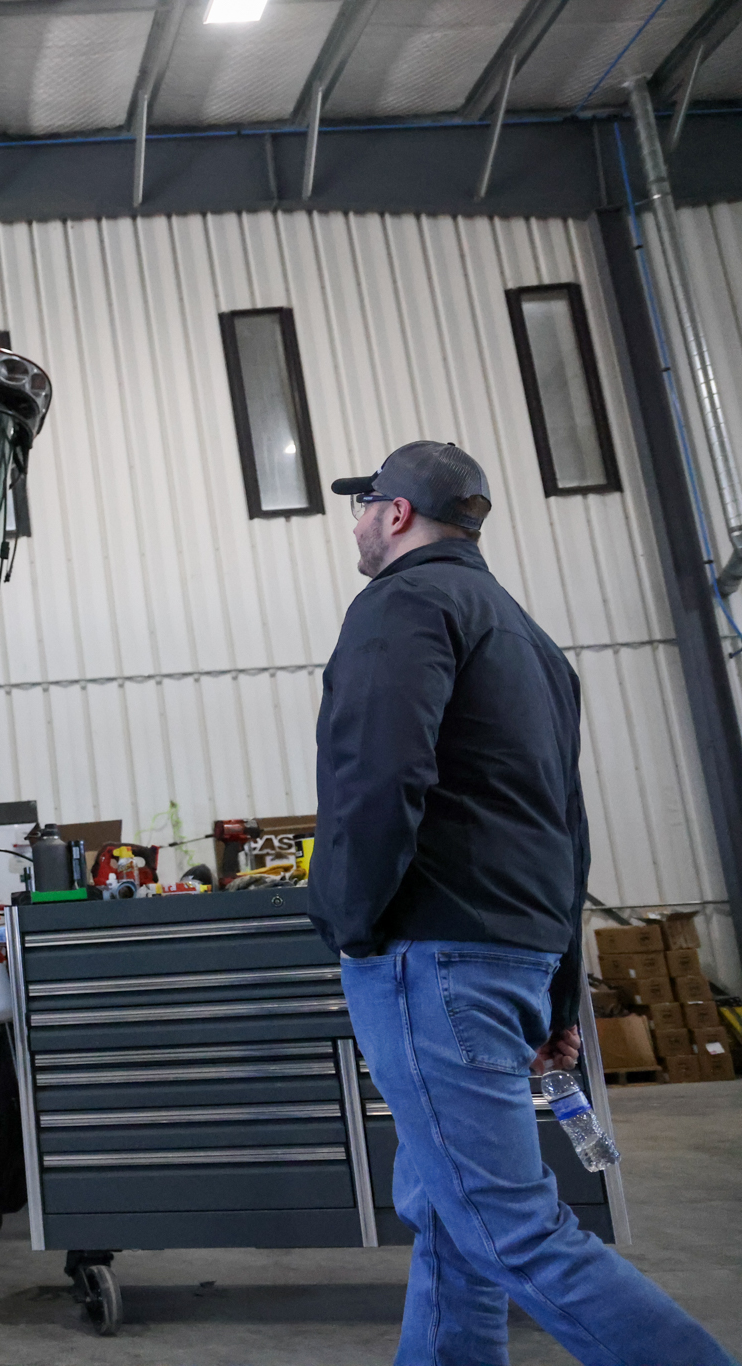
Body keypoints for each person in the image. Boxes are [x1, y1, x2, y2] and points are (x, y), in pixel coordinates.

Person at [310, 439, 734, 1366]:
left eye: (363, 506)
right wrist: (558, 994)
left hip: (429, 951)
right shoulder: (528, 639)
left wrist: (352, 924)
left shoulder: (403, 605)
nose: (357, 524)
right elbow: (565, 826)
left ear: (395, 513)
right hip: (508, 954)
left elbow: (378, 778)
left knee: (509, 1228)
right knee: (449, 1210)